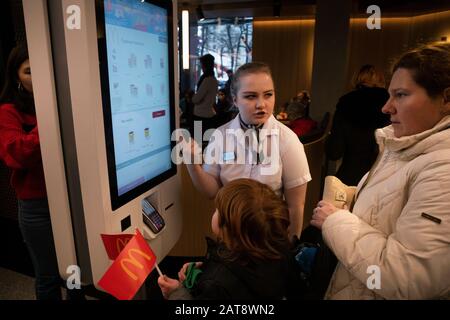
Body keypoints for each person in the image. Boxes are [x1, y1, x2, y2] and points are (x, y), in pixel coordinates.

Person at [311, 42, 450, 299]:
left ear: (446, 99)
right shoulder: (404, 147)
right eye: (390, 94)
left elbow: (406, 276)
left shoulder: (443, 169)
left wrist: (335, 221)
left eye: (401, 95)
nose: (387, 108)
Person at [186, 62, 311, 240]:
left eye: (268, 95)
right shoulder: (220, 136)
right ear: (235, 99)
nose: (261, 104)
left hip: (269, 240)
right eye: (251, 96)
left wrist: (291, 251)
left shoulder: (287, 140)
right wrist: (192, 164)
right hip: (230, 237)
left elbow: (296, 205)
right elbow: (211, 192)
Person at [0, 43, 83, 300]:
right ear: (16, 76)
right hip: (37, 207)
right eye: (28, 71)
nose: (37, 77)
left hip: (72, 201)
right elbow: (16, 154)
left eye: (42, 69)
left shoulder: (65, 103)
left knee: (75, 274)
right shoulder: (8, 111)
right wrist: (50, 118)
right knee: (47, 277)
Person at [157, 178, 302, 299]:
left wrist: (177, 293)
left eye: (217, 210)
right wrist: (205, 269)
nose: (214, 212)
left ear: (228, 229)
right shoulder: (280, 252)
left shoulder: (216, 286)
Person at [326, 65, 390, 186]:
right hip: (381, 180)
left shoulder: (346, 103)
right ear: (382, 82)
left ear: (356, 80)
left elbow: (334, 152)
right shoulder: (390, 105)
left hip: (349, 178)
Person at [192, 54, 218, 134]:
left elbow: (196, 99)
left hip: (200, 115)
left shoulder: (206, 80)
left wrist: (192, 97)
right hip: (210, 114)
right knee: (207, 141)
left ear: (205, 65)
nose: (201, 67)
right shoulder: (214, 79)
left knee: (197, 141)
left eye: (202, 64)